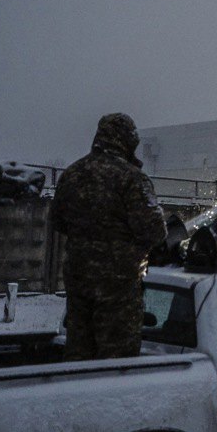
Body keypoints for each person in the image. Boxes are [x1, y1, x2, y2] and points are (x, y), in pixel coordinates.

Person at [51, 113, 166, 360]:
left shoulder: (71, 174)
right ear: (127, 141)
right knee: (117, 358)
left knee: (79, 350)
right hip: (118, 283)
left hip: (78, 277)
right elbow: (155, 231)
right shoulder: (131, 178)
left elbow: (57, 222)